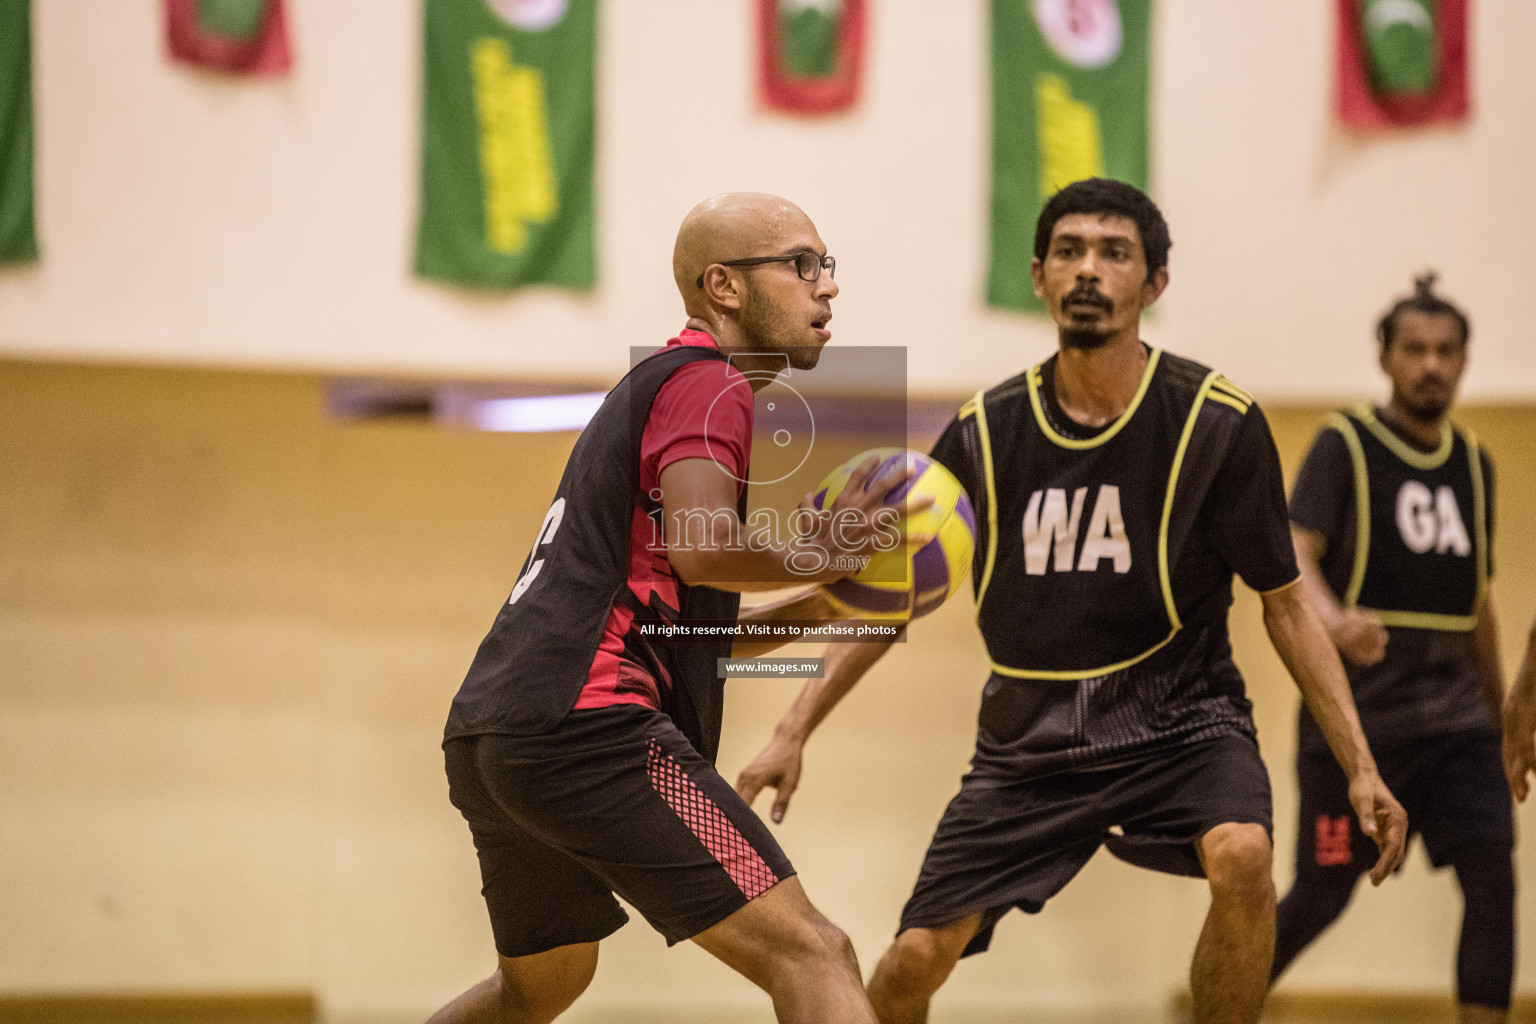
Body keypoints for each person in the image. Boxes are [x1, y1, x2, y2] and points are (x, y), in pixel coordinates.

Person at [736, 178, 1408, 1024]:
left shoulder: (1217, 421)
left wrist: (1361, 768)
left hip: (1182, 720)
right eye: (1070, 252)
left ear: (1153, 283)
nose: (1089, 269)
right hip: (1029, 741)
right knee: (910, 961)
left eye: (1114, 252)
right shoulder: (986, 429)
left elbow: (1285, 606)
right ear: (1039, 277)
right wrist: (793, 730)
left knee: (1244, 856)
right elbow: (892, 599)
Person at [431, 193, 912, 1024]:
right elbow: (704, 545)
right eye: (801, 264)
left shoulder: (662, 386)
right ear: (723, 286)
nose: (825, 287)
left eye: (825, 266)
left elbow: (697, 624)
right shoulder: (708, 382)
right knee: (814, 952)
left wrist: (829, 597)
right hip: (591, 732)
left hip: (495, 735)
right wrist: (829, 548)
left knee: (538, 988)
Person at [1270, 275, 1513, 1023]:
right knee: (1323, 889)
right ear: (1386, 357)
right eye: (1415, 349)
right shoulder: (1345, 444)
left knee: (1492, 877)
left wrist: (1506, 716)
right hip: (1361, 720)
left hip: (1458, 721)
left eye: (1446, 351)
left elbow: (1478, 602)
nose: (1431, 365)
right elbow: (1293, 552)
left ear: (1465, 361)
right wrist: (1335, 620)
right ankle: (1224, 1001)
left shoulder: (1475, 464)